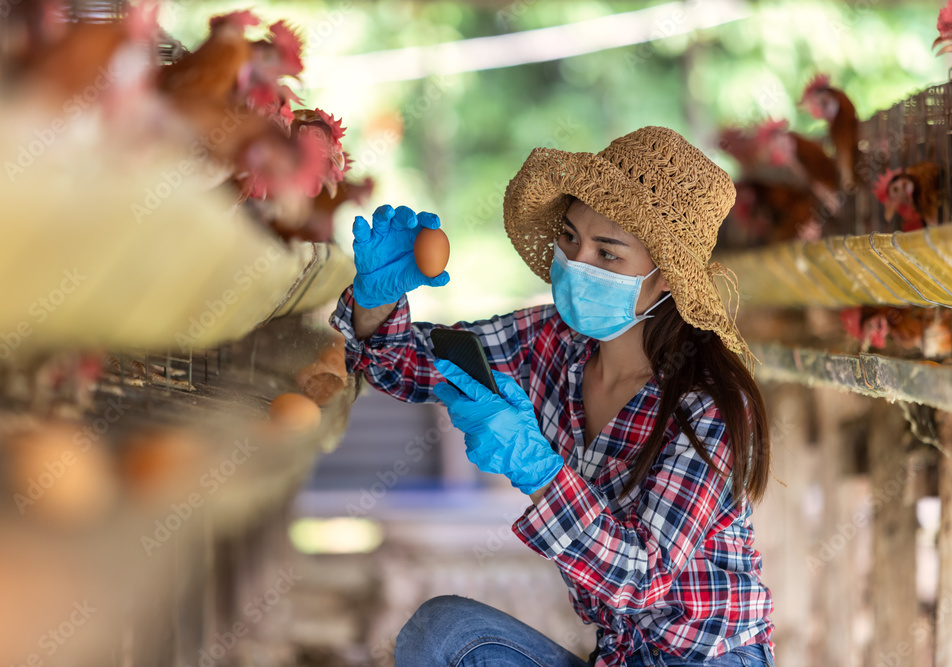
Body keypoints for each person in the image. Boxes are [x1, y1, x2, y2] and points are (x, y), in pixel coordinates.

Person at [329, 126, 775, 667]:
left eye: (608, 254)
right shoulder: (553, 342)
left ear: (664, 282)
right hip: (613, 658)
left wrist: (539, 470)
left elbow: (641, 580)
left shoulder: (710, 408)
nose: (577, 261)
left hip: (705, 661)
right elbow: (413, 365)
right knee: (442, 633)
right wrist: (377, 301)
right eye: (570, 238)